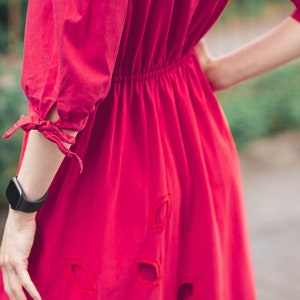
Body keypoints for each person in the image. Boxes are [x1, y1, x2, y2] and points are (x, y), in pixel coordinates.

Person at [0, 0, 299, 299]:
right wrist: (222, 71)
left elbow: (69, 90)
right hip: (189, 126)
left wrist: (22, 210)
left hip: (102, 162)